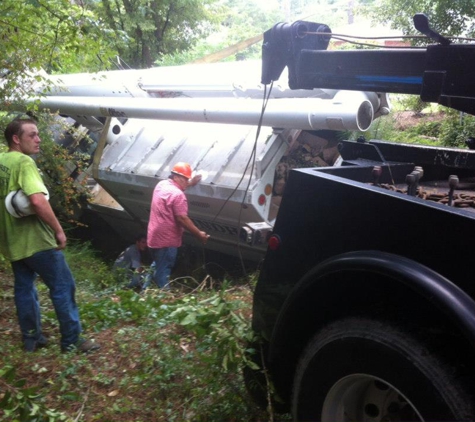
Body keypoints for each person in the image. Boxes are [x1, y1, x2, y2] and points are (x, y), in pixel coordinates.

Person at [0, 118, 100, 353]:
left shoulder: (2, 160)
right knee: (63, 286)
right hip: (36, 240)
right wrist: (58, 230)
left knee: (24, 287)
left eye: (38, 134)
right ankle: (72, 341)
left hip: (12, 241)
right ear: (16, 139)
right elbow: (37, 200)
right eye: (32, 135)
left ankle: (32, 339)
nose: (39, 139)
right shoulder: (24, 162)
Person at [147, 162, 209, 289]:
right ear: (176, 177)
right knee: (163, 272)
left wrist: (190, 182)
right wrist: (199, 234)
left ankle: (145, 291)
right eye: (185, 179)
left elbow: (178, 186)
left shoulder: (161, 185)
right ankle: (164, 299)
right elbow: (182, 219)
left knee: (157, 264)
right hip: (166, 241)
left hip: (154, 237)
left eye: (187, 179)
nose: (187, 181)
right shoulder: (178, 195)